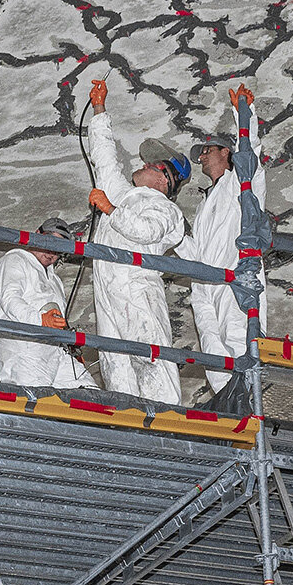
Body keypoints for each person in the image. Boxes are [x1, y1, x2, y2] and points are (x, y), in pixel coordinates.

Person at [86, 78, 190, 404]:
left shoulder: (166, 210)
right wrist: (100, 108)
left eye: (149, 163)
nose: (141, 165)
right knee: (115, 367)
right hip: (107, 290)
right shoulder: (125, 195)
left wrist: (110, 210)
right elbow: (104, 158)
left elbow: (146, 232)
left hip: (137, 290)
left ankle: (167, 429)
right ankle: (129, 435)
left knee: (151, 361)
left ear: (164, 175)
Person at [178, 84, 267, 396]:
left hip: (234, 280)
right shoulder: (206, 203)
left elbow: (252, 161)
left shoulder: (238, 185)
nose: (202, 156)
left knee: (237, 339)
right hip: (205, 286)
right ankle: (230, 409)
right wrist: (174, 232)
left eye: (207, 150)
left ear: (225, 152)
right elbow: (197, 252)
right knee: (213, 353)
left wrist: (245, 114)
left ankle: (247, 404)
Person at [0, 217, 95, 390]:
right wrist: (40, 320)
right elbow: (10, 299)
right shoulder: (16, 260)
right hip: (24, 351)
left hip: (55, 351)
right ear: (36, 234)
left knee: (89, 395)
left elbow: (56, 318)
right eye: (48, 242)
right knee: (38, 405)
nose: (51, 253)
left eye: (58, 250)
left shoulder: (55, 280)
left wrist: (69, 343)